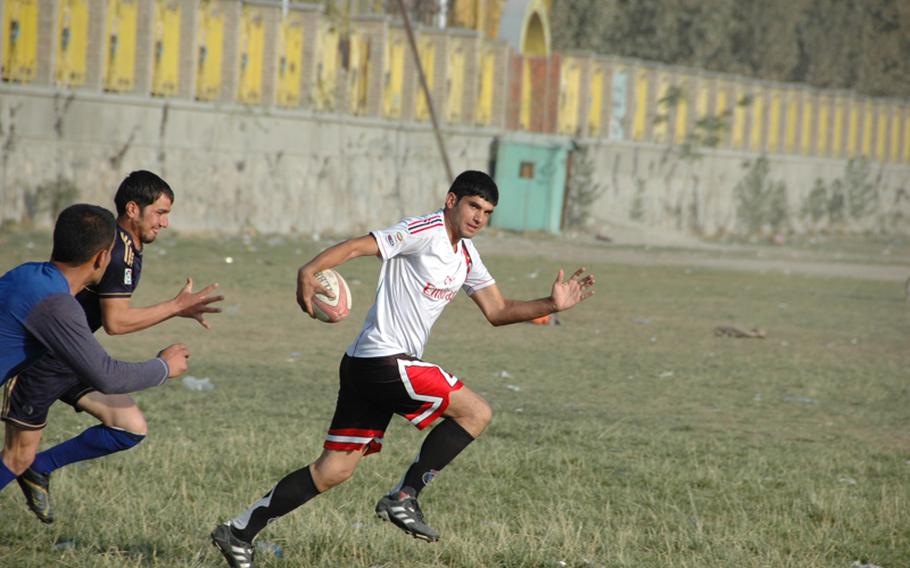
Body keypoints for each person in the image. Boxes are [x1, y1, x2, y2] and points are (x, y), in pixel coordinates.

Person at [211, 170, 595, 567]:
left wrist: (551, 305)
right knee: (477, 412)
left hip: (368, 366)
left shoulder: (466, 255)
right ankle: (403, 496)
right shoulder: (423, 229)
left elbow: (498, 311)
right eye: (473, 206)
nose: (479, 217)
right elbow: (361, 246)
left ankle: (238, 532)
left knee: (334, 470)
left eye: (488, 212)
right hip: (384, 359)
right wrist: (308, 270)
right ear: (451, 201)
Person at [3, 171, 223, 524]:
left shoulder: (127, 246)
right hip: (45, 360)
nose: (165, 223)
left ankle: (40, 468)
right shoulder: (114, 250)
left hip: (74, 356)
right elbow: (116, 323)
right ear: (133, 209)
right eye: (160, 213)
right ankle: (29, 466)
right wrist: (175, 309)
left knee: (129, 427)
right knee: (15, 457)